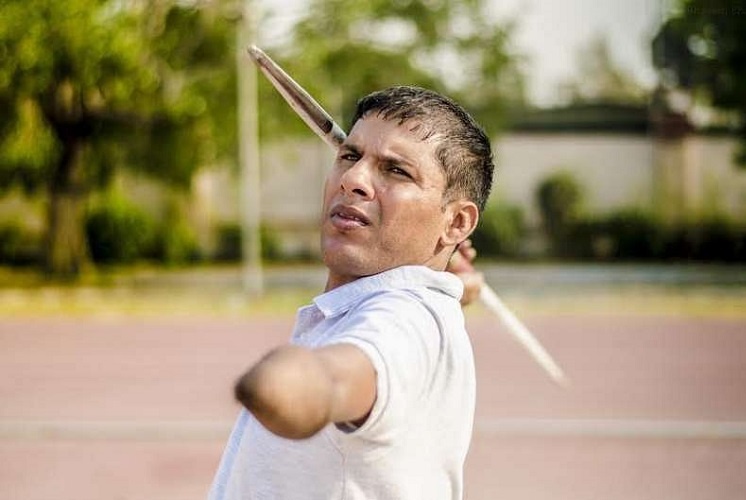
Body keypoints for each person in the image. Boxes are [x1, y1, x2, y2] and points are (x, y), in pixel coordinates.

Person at [207, 85, 494, 500]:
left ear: (456, 223)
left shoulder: (403, 321)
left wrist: (302, 385)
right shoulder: (423, 308)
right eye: (350, 155)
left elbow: (348, 371)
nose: (354, 180)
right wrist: (456, 282)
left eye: (396, 170)